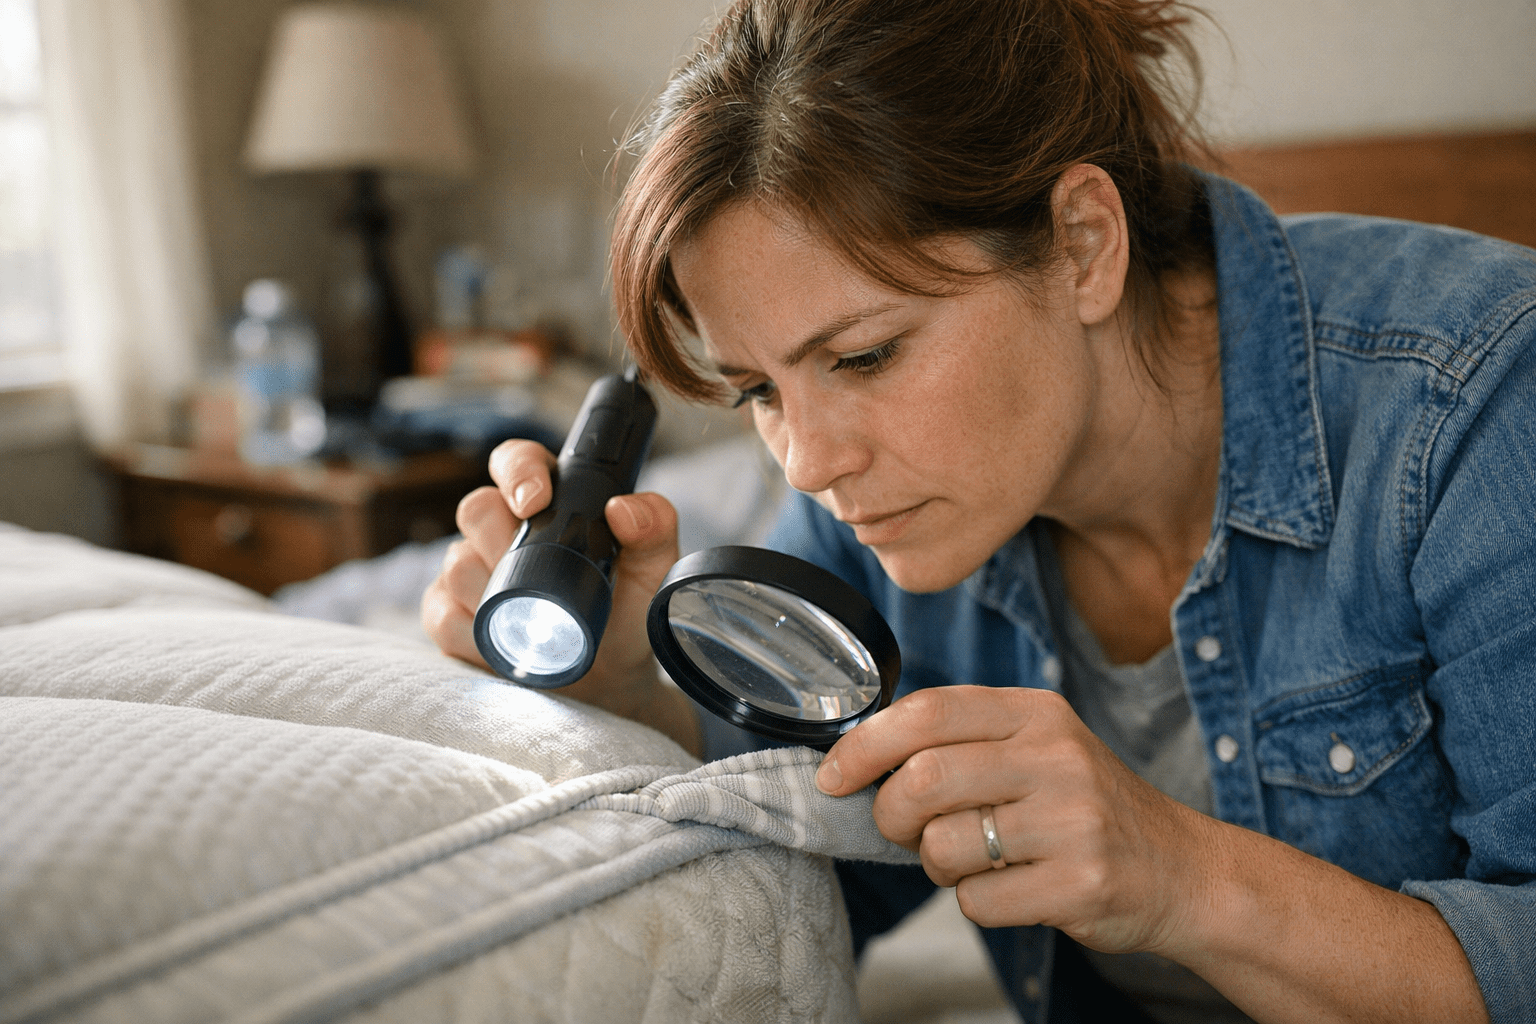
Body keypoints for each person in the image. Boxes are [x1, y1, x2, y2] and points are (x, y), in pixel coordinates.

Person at [423, 1, 1536, 1020]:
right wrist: (623, 687)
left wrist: (1180, 875)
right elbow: (802, 864)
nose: (806, 462)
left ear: (1084, 245)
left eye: (863, 354)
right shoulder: (882, 518)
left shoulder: (1473, 404)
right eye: (760, 389)